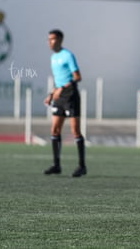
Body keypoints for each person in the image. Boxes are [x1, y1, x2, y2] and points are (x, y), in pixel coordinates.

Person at [43, 29, 87, 177]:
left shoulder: (68, 55)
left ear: (60, 40)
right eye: (48, 39)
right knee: (54, 130)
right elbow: (58, 81)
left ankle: (82, 166)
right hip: (59, 97)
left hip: (70, 96)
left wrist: (62, 89)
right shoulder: (52, 57)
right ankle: (56, 165)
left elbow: (77, 77)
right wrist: (51, 94)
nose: (49, 42)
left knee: (75, 131)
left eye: (52, 39)